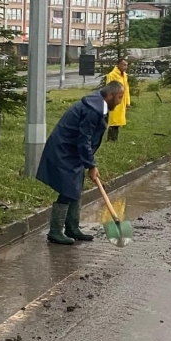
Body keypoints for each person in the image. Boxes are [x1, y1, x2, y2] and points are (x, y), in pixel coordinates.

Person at [37, 81, 125, 245]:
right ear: (110, 95)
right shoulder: (93, 110)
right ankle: (55, 231)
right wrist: (91, 165)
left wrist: (89, 162)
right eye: (119, 97)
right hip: (64, 150)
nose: (121, 101)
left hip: (72, 150)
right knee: (68, 188)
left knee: (75, 186)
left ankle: (72, 228)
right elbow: (84, 140)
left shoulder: (99, 105)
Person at [105, 57, 131, 141]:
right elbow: (109, 88)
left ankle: (115, 138)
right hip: (114, 101)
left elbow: (126, 90)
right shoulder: (112, 75)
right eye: (124, 65)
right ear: (119, 65)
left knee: (118, 121)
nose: (125, 67)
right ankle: (110, 138)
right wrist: (110, 101)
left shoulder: (124, 75)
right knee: (113, 120)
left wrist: (127, 102)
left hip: (121, 101)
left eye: (126, 65)